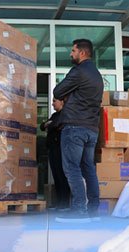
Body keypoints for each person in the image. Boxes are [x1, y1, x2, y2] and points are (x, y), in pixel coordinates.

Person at [52, 39, 103, 217]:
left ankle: (79, 209)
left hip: (75, 128)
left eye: (73, 51)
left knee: (72, 168)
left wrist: (66, 96)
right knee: (88, 168)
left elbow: (58, 91)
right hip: (91, 129)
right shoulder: (97, 74)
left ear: (82, 53)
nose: (71, 54)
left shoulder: (79, 71)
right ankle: (93, 208)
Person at [40, 97, 71, 209]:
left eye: (54, 101)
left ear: (62, 102)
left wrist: (50, 124)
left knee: (62, 175)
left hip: (61, 148)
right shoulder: (54, 116)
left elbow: (56, 125)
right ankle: (59, 202)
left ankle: (65, 203)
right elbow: (42, 126)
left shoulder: (65, 114)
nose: (52, 104)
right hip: (52, 148)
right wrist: (49, 124)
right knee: (56, 176)